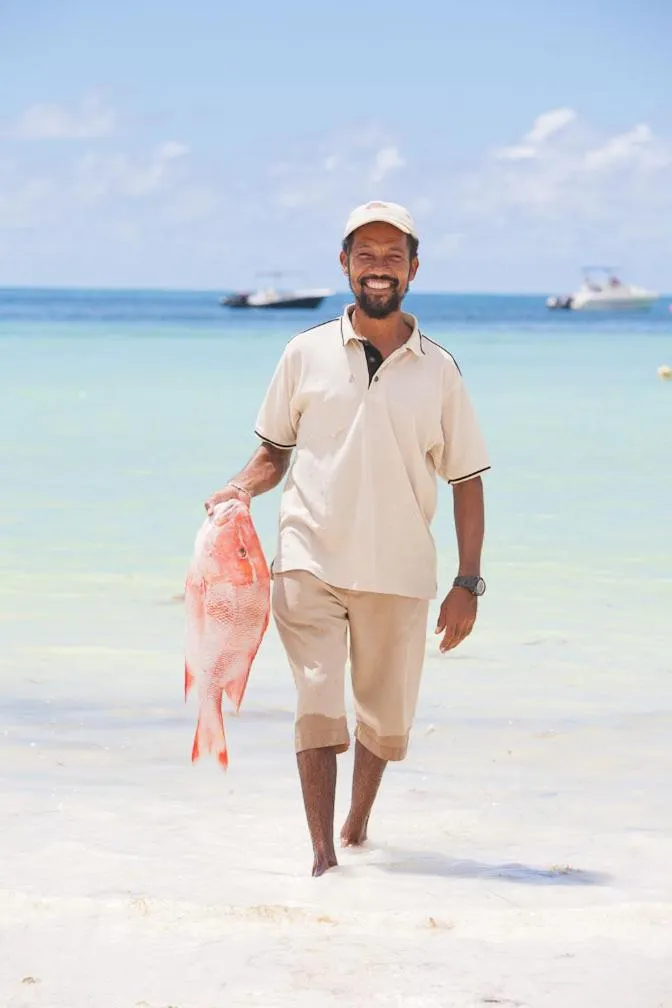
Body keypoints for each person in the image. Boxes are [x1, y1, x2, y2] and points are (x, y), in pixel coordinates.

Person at [205, 200, 490, 876]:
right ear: (344, 265)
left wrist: (467, 583)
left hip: (400, 569)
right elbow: (273, 451)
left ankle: (357, 827)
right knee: (316, 699)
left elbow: (468, 479)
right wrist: (241, 487)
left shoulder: (440, 370)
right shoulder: (303, 353)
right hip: (309, 559)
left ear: (414, 269)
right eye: (366, 254)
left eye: (393, 255)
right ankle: (322, 858)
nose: (379, 267)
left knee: (383, 719)